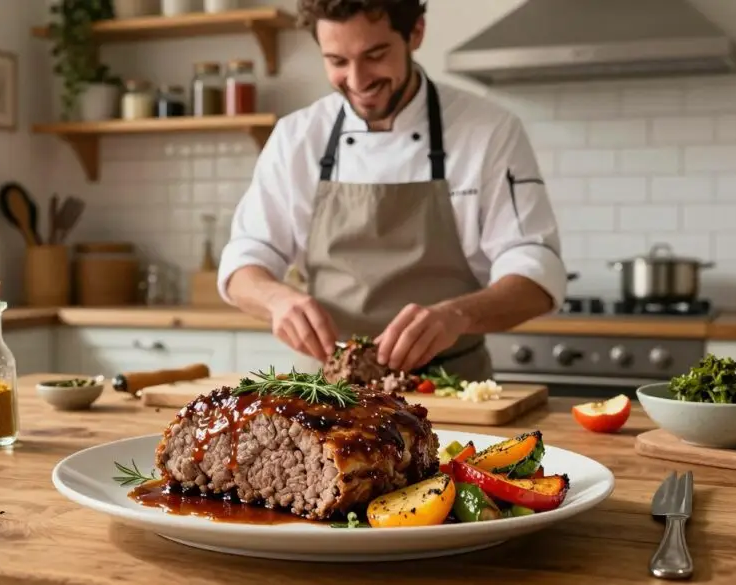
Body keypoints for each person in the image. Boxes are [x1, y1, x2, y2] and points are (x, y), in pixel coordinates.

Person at [215, 0, 567, 381]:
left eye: (375, 55)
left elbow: (536, 270)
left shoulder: (489, 131)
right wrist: (277, 300)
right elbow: (243, 260)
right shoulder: (296, 137)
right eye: (336, 61)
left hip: (449, 385)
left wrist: (457, 314)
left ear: (415, 33)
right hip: (326, 389)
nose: (357, 80)